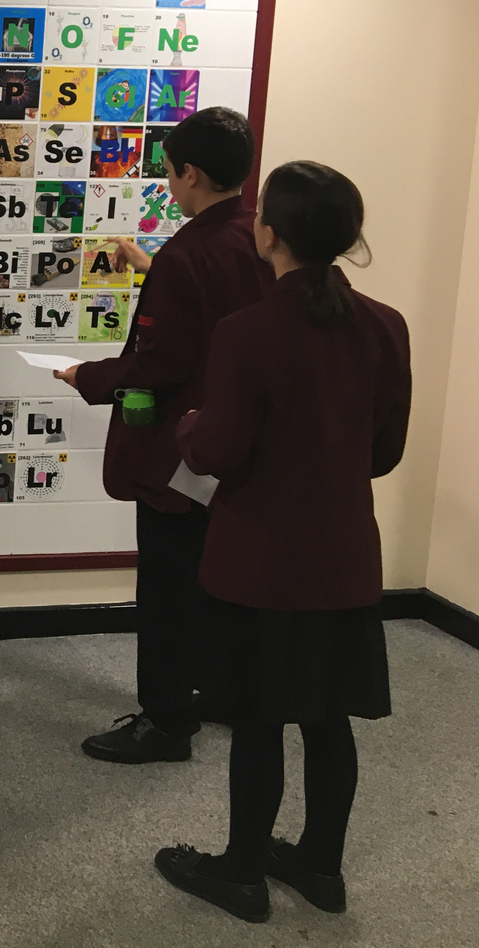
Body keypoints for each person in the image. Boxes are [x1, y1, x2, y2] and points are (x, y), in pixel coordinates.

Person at [153, 162, 410, 922]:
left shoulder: (247, 331)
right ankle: (319, 868)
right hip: (343, 560)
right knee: (326, 719)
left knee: (259, 719)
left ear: (270, 233)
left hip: (260, 561)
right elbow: (383, 451)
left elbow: (218, 453)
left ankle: (239, 871)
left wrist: (191, 427)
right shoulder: (385, 324)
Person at [56, 107, 272, 764]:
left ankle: (165, 722)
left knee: (169, 585)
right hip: (236, 441)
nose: (167, 185)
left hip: (180, 450)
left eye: (170, 173)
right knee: (219, 578)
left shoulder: (186, 255)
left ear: (191, 174)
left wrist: (82, 375)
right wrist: (154, 266)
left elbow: (162, 364)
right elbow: (221, 312)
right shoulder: (258, 238)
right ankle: (226, 692)